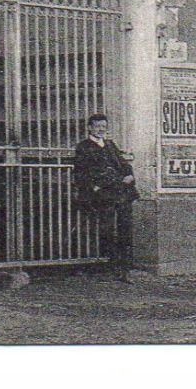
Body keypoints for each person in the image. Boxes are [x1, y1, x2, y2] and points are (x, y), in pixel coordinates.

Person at [73, 114, 137, 280]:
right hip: (103, 194)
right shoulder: (83, 147)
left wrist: (129, 174)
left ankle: (125, 266)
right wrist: (94, 187)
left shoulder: (110, 145)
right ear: (89, 127)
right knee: (106, 229)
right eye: (97, 126)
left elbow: (123, 164)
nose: (101, 129)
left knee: (125, 227)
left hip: (121, 192)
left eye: (103, 126)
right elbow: (82, 172)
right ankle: (110, 264)